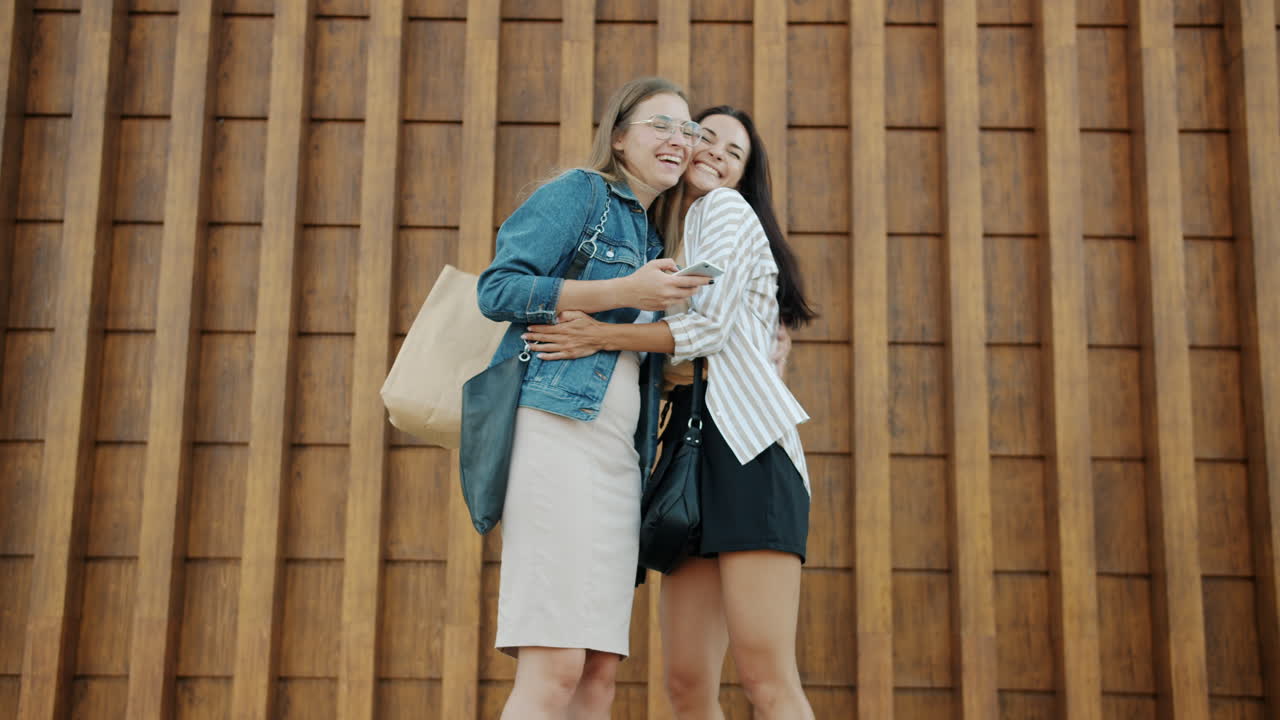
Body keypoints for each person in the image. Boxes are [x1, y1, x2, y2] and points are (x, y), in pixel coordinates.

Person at [522, 105, 818, 719]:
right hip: (690, 450)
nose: (713, 154)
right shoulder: (669, 239)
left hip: (750, 453)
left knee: (768, 683)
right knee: (686, 685)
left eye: (732, 154)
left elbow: (705, 329)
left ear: (742, 177)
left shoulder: (723, 210)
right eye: (705, 138)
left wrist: (598, 335)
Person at [474, 77, 712, 720]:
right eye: (661, 124)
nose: (678, 139)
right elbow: (498, 290)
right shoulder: (583, 193)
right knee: (553, 669)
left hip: (615, 462)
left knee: (598, 677)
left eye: (688, 130)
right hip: (555, 437)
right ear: (619, 136)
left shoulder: (656, 242)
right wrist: (619, 293)